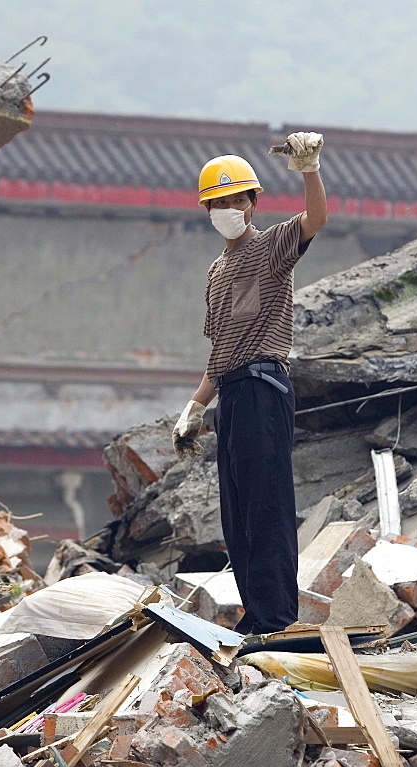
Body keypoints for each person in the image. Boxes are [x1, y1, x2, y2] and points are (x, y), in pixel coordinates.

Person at [172, 132, 327, 635]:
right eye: (217, 202)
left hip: (264, 388)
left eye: (236, 199)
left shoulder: (270, 249)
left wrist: (309, 170)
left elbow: (315, 221)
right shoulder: (217, 273)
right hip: (232, 397)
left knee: (267, 506)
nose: (227, 208)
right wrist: (194, 408)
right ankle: (256, 613)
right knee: (237, 515)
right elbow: (219, 352)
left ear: (253, 202)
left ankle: (277, 618)